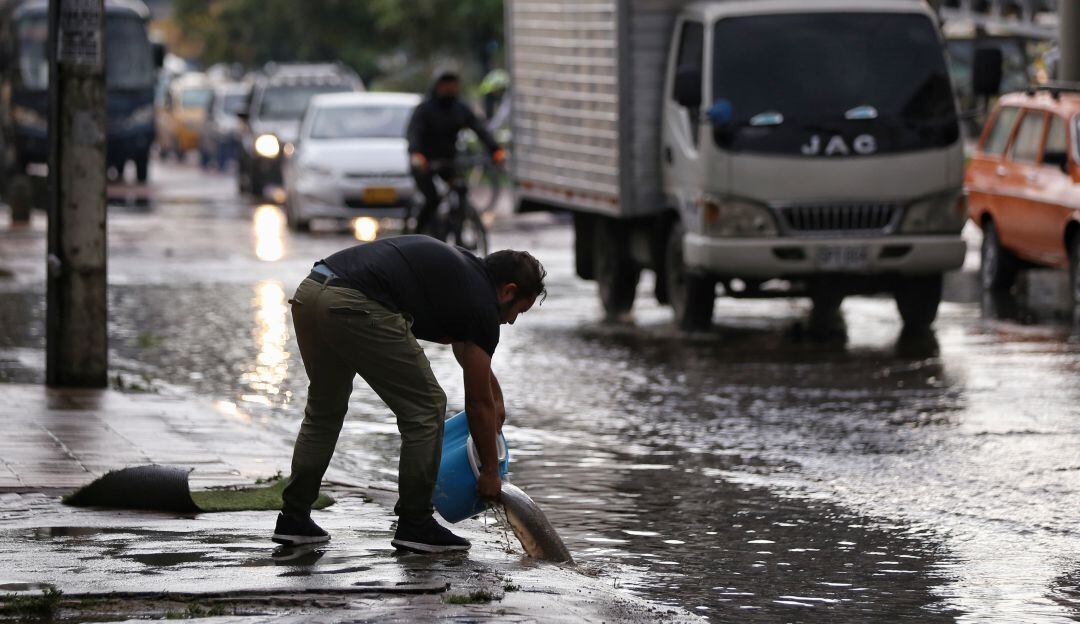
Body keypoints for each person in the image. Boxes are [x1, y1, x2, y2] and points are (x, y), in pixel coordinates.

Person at [272, 235, 546, 554]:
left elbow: (467, 350)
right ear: (508, 291)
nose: (510, 320)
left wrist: (494, 393)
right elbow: (477, 403)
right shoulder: (483, 305)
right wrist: (489, 472)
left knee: (323, 411)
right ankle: (415, 523)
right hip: (354, 303)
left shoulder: (464, 273)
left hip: (312, 292)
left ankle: (294, 518)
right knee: (427, 408)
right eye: (517, 311)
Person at [406, 70, 506, 235]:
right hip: (425, 163)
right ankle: (417, 233)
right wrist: (416, 154)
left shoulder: (460, 108)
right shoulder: (424, 109)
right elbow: (413, 134)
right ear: (438, 86)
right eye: (446, 85)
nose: (450, 89)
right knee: (433, 198)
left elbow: (480, 129)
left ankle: (457, 228)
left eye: (453, 85)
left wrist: (495, 150)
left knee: (460, 189)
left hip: (448, 161)